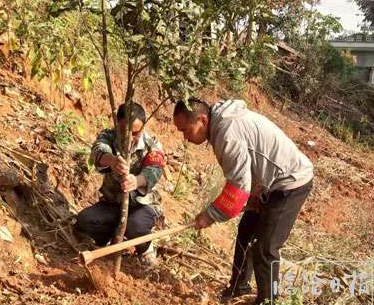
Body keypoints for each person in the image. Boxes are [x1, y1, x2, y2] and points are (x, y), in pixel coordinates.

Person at [173, 98, 313, 304]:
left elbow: (238, 184)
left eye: (185, 130)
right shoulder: (222, 125)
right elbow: (248, 167)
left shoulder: (227, 132)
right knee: (246, 232)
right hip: (267, 184)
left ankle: (270, 300)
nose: (185, 137)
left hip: (290, 183)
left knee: (266, 248)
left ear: (202, 120)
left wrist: (210, 215)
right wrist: (254, 195)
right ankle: (238, 288)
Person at [76, 102, 165, 266]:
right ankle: (106, 241)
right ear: (117, 124)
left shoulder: (152, 144)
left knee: (135, 226)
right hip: (112, 204)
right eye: (124, 132)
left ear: (143, 127)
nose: (130, 138)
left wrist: (136, 181)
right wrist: (111, 160)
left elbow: (154, 171)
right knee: (85, 220)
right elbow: (97, 151)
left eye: (136, 133)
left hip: (142, 206)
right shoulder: (109, 136)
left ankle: (146, 248)